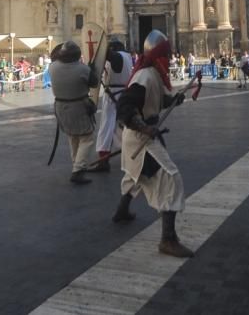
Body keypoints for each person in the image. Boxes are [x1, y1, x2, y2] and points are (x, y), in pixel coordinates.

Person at [113, 30, 194, 258]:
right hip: (141, 138)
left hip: (144, 136)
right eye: (167, 55)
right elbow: (126, 108)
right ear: (158, 56)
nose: (169, 59)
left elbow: (154, 99)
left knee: (137, 175)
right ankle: (167, 240)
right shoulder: (144, 77)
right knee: (170, 177)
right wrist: (145, 127)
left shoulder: (153, 75)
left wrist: (173, 100)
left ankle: (122, 210)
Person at [49, 41, 100, 184]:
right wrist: (92, 70)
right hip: (78, 106)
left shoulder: (52, 67)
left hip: (60, 107)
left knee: (73, 136)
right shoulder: (83, 69)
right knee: (87, 137)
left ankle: (76, 164)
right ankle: (78, 170)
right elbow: (94, 83)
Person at [95, 39, 133, 172]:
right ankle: (131, 150)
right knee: (120, 127)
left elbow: (114, 58)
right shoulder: (128, 57)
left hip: (113, 95)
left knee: (106, 126)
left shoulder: (120, 56)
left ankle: (103, 158)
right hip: (122, 94)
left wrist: (100, 50)